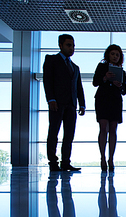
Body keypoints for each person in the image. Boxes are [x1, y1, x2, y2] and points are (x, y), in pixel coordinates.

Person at [43, 34, 86, 172]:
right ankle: (53, 162)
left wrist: (82, 104)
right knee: (54, 132)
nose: (72, 48)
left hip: (71, 105)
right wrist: (51, 99)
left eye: (73, 45)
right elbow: (47, 80)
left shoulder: (75, 67)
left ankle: (66, 162)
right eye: (68, 45)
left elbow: (78, 86)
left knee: (69, 135)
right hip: (57, 103)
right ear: (60, 45)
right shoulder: (51, 60)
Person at [92, 44, 126, 172]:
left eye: (117, 55)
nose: (115, 57)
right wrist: (105, 78)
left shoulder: (122, 72)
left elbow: (124, 91)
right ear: (108, 55)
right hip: (103, 99)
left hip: (115, 100)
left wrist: (119, 85)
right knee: (103, 127)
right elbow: (95, 82)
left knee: (113, 129)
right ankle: (102, 158)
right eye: (112, 54)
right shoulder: (102, 67)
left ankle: (111, 159)